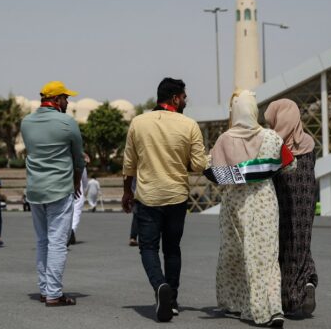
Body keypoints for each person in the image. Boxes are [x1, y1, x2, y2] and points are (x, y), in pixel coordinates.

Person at [121, 77, 206, 322]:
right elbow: (199, 164)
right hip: (177, 196)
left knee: (148, 247)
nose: (186, 101)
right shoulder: (189, 125)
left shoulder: (138, 123)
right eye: (184, 97)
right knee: (172, 248)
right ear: (175, 98)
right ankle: (173, 299)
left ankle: (160, 287)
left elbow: (129, 163)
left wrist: (127, 191)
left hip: (148, 197)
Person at [208, 90, 290, 327]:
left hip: (236, 203)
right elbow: (288, 164)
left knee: (237, 253)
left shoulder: (224, 139)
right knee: (266, 255)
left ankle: (240, 304)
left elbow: (219, 175)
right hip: (265, 201)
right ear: (254, 110)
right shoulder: (272, 137)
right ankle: (273, 308)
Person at [21, 81, 85, 307]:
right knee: (58, 243)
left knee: (42, 241)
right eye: (65, 98)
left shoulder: (26, 122)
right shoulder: (67, 122)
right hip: (59, 189)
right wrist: (77, 182)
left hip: (35, 190)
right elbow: (78, 159)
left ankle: (44, 289)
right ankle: (54, 294)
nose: (68, 102)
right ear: (57, 100)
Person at [264, 98, 318, 317]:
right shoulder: (309, 143)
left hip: (282, 199)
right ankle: (308, 282)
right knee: (302, 241)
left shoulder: (274, 144)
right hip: (306, 200)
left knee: (284, 243)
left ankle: (290, 298)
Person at [68, 154, 90, 246]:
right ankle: (72, 230)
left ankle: (66, 232)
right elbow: (85, 181)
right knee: (76, 212)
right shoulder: (81, 165)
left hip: (64, 190)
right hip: (78, 191)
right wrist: (84, 190)